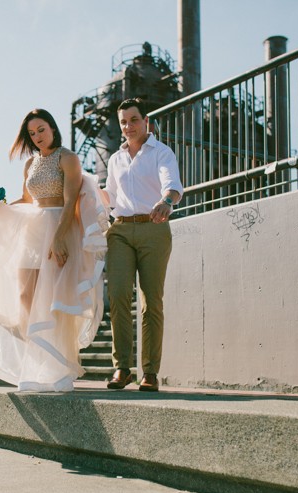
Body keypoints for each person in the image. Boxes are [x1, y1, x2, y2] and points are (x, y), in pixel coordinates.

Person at [0, 109, 109, 392]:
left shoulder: (68, 157)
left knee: (53, 301)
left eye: (41, 129)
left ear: (52, 128)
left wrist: (60, 237)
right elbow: (28, 199)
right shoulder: (30, 163)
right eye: (32, 133)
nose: (37, 137)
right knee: (25, 296)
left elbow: (70, 202)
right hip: (33, 231)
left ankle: (57, 368)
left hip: (59, 228)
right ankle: (38, 362)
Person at [102, 98, 184, 392]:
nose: (128, 127)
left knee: (151, 302)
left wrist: (166, 202)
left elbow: (172, 184)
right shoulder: (115, 159)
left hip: (154, 227)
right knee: (120, 296)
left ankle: (149, 372)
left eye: (133, 120)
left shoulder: (161, 152)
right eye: (123, 122)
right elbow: (108, 197)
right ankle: (121, 368)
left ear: (145, 120)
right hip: (120, 231)